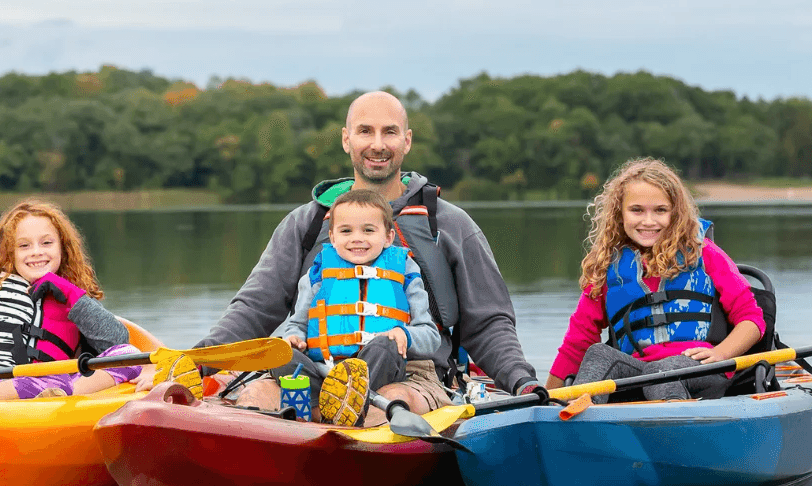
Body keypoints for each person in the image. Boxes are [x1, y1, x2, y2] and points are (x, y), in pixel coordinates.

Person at [147, 91, 540, 426]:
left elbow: (488, 324)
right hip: (316, 367)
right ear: (346, 139)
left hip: (414, 374)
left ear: (407, 141)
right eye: (365, 131)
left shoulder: (450, 225)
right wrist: (197, 361)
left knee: (375, 411)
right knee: (256, 399)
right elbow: (254, 310)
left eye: (389, 132)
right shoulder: (306, 223)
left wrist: (522, 382)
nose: (377, 144)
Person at [547, 158, 765, 402]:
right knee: (599, 354)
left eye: (660, 210)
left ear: (675, 213)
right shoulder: (608, 269)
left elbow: (752, 319)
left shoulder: (706, 253)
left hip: (701, 367)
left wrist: (723, 353)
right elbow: (577, 344)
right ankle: (571, 417)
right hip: (638, 372)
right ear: (619, 214)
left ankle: (674, 425)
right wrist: (544, 400)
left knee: (661, 371)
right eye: (637, 210)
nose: (648, 221)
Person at [0, 199, 143, 401]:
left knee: (127, 355)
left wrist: (71, 295)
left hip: (50, 393)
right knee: (26, 383)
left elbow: (117, 341)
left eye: (46, 243)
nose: (36, 252)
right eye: (24, 246)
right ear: (10, 252)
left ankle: (56, 394)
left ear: (62, 248)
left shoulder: (74, 295)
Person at [279, 189, 442, 426]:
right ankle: (329, 404)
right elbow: (297, 323)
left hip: (376, 368)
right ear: (333, 237)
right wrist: (293, 337)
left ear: (388, 237)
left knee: (386, 346)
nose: (357, 238)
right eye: (346, 231)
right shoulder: (318, 272)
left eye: (368, 230)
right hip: (323, 370)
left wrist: (404, 335)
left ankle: (347, 404)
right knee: (282, 355)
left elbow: (430, 337)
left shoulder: (406, 270)